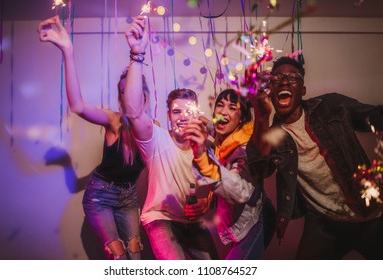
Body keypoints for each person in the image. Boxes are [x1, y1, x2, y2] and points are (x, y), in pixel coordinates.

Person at [38, 15, 150, 260]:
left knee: (136, 255)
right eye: (123, 92)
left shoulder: (154, 129)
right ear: (121, 98)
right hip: (100, 195)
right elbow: (77, 106)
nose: (128, 95)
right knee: (118, 256)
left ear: (145, 95)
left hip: (129, 196)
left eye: (133, 89)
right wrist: (68, 50)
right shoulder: (113, 120)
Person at [248, 56, 383, 259]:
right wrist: (260, 116)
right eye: (277, 78)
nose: (285, 81)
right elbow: (258, 171)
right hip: (324, 223)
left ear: (302, 90)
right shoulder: (271, 136)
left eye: (293, 77)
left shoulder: (332, 105)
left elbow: (375, 116)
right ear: (270, 89)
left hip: (371, 216)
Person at [122, 15, 218, 260]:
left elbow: (217, 185)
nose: (183, 118)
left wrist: (207, 201)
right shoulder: (157, 140)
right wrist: (137, 55)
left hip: (193, 222)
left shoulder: (207, 145)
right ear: (168, 116)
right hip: (161, 220)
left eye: (188, 111)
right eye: (176, 112)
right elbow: (133, 111)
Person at [182, 89, 275, 259]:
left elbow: (240, 191)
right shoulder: (224, 136)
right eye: (220, 105)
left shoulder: (245, 150)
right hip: (240, 222)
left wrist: (202, 157)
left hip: (255, 222)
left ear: (242, 119)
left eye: (233, 107)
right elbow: (214, 127)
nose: (224, 111)